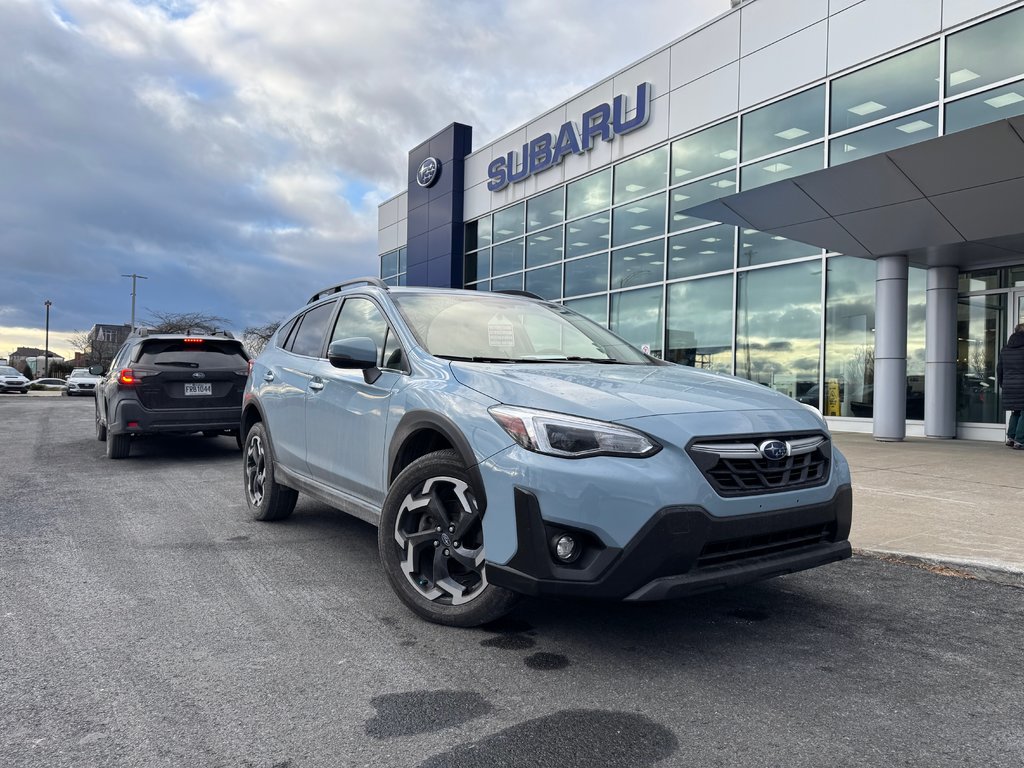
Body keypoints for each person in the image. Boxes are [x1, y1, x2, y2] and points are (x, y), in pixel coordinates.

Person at [997, 323, 1024, 448]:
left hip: (1009, 385)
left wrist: (1003, 384)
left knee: (1016, 411)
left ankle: (1011, 437)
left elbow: (1000, 369)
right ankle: (1021, 440)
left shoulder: (1005, 349)